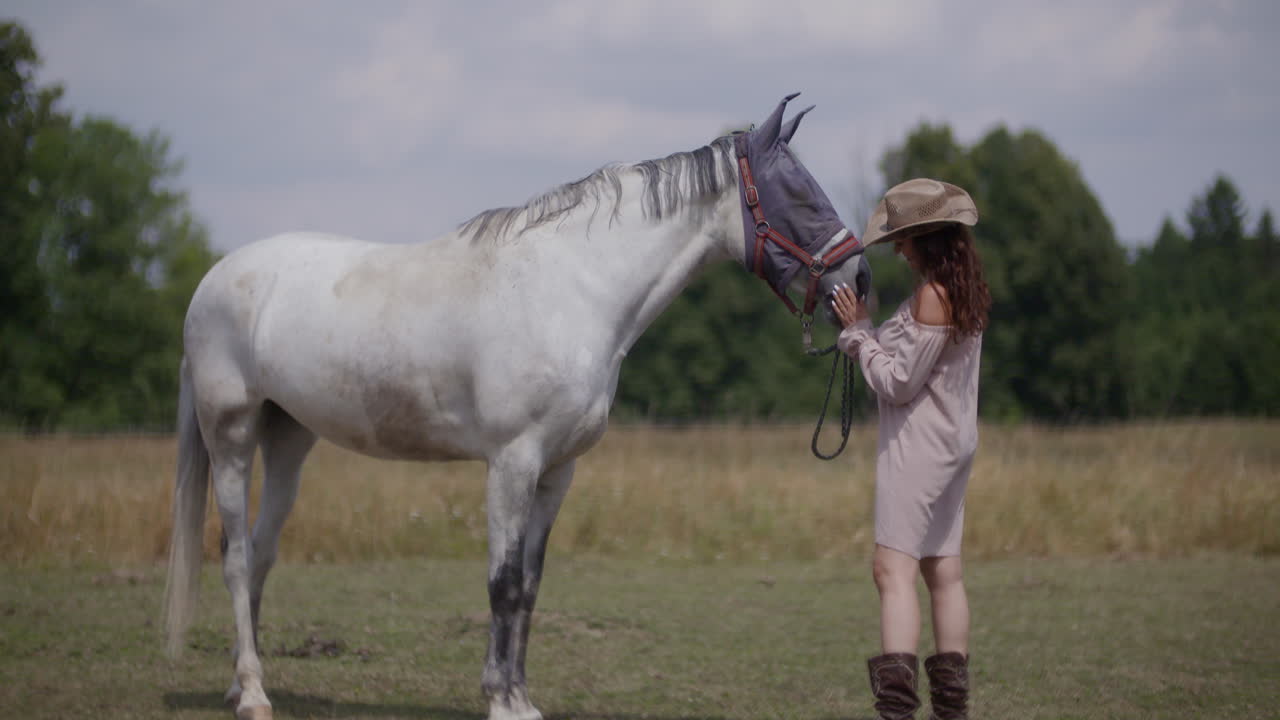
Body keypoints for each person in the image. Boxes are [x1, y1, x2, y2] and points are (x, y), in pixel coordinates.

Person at [830, 178, 991, 720]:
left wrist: (856, 336)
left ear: (925, 238)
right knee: (943, 571)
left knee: (891, 570)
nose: (897, 249)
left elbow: (899, 383)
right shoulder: (960, 289)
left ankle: (897, 712)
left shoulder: (930, 296)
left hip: (921, 445)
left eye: (902, 239)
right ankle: (951, 711)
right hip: (953, 443)